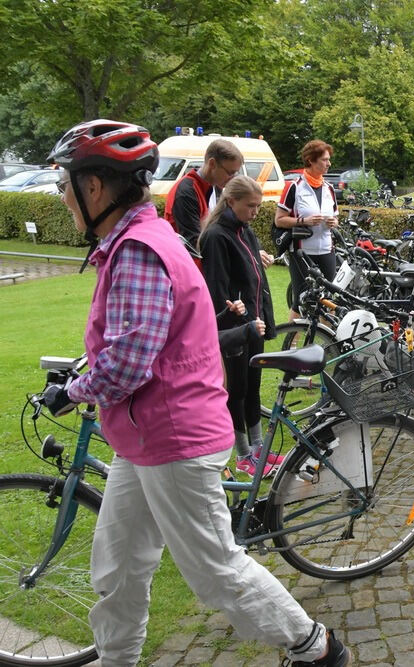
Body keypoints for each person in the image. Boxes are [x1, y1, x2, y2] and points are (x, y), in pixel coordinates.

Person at [41, 119, 351, 667]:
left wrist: (74, 392)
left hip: (172, 436)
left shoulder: (137, 249)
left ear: (94, 188)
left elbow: (127, 366)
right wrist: (86, 376)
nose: (62, 196)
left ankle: (317, 648)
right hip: (146, 434)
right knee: (118, 565)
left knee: (215, 569)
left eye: (65, 184)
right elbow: (139, 341)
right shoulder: (137, 239)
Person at [199, 175, 280, 478]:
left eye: (258, 207)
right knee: (237, 390)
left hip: (254, 322)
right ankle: (244, 454)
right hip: (235, 327)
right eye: (251, 206)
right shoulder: (217, 236)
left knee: (253, 387)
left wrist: (259, 262)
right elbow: (216, 287)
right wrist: (231, 315)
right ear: (231, 201)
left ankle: (259, 448)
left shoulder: (244, 230)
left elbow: (251, 275)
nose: (255, 212)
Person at [274, 140, 340, 319]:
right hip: (302, 252)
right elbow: (279, 220)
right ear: (311, 160)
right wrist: (304, 220)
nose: (329, 164)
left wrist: (334, 222)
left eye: (328, 160)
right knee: (301, 299)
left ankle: (330, 344)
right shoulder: (294, 186)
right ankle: (292, 343)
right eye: (325, 160)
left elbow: (335, 217)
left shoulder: (329, 188)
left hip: (326, 249)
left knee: (328, 298)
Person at [164, 138, 243, 247]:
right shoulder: (186, 191)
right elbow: (193, 243)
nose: (233, 178)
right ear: (212, 164)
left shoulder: (216, 187)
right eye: (230, 173)